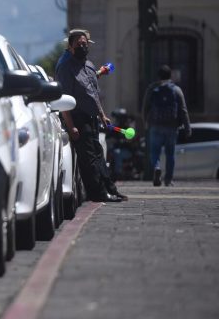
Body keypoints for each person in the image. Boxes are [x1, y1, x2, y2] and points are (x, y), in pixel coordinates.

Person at [55, 29, 127, 202]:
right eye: (79, 44)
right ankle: (98, 194)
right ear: (70, 45)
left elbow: (92, 93)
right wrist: (71, 125)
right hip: (78, 118)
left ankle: (110, 189)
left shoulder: (87, 64)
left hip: (92, 118)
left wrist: (102, 115)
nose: (83, 46)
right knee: (89, 160)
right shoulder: (65, 66)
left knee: (98, 154)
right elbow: (64, 98)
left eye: (85, 44)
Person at [142, 65, 191, 186]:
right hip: (172, 126)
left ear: (158, 76)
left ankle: (157, 167)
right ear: (171, 76)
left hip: (155, 125)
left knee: (154, 152)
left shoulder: (152, 88)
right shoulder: (176, 90)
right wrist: (187, 127)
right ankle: (168, 180)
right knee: (170, 154)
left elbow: (145, 107)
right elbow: (183, 110)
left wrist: (145, 122)